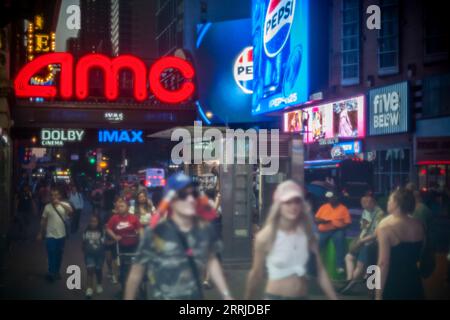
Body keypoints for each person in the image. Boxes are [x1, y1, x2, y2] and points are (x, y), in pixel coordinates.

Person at [125, 172, 232, 300]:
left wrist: (226, 295)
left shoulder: (204, 230)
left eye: (193, 194)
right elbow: (136, 272)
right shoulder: (155, 233)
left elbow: (211, 260)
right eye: (183, 195)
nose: (191, 199)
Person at [245, 181, 337, 300]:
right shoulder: (266, 235)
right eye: (288, 202)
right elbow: (256, 274)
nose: (293, 206)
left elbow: (320, 272)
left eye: (297, 201)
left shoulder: (307, 233)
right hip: (275, 297)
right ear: (279, 206)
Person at [376, 188, 425, 300]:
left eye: (389, 200)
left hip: (393, 282)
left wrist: (377, 294)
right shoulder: (419, 224)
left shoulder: (385, 228)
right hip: (415, 281)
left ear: (397, 203)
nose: (388, 202)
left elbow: (383, 264)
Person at [340, 195, 385, 294]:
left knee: (365, 266)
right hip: (364, 240)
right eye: (362, 202)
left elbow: (376, 233)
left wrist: (362, 240)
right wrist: (360, 238)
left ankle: (352, 286)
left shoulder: (379, 214)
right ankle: (350, 281)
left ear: (372, 202)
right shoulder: (365, 211)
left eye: (366, 202)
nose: (363, 204)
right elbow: (364, 227)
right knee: (349, 257)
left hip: (372, 243)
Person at [36, 188, 73, 282]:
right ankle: (51, 272)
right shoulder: (47, 207)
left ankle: (56, 271)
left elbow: (71, 211)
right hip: (50, 235)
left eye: (56, 195)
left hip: (62, 235)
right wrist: (40, 232)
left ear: (59, 196)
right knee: (51, 253)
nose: (53, 197)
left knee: (59, 254)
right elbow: (43, 220)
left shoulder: (64, 205)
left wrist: (59, 203)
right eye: (52, 195)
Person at [106, 197, 142, 292]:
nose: (120, 208)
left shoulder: (133, 218)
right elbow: (108, 228)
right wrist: (115, 236)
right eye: (119, 206)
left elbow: (140, 229)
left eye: (122, 206)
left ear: (127, 207)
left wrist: (139, 234)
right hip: (121, 247)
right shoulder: (114, 218)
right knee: (122, 268)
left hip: (133, 245)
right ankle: (123, 287)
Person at [315, 191, 352, 274]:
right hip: (323, 230)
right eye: (329, 198)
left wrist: (338, 226)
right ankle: (312, 267)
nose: (330, 199)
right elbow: (316, 219)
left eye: (332, 197)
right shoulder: (324, 207)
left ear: (337, 198)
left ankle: (340, 266)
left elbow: (348, 223)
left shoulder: (343, 208)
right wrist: (322, 221)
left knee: (340, 243)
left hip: (337, 230)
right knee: (316, 245)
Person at [82, 215, 105, 299]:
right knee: (90, 270)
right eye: (91, 221)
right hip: (89, 255)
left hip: (99, 255)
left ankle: (99, 284)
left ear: (98, 222)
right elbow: (83, 243)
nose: (93, 223)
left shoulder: (102, 231)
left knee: (98, 270)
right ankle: (89, 288)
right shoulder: (86, 231)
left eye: (95, 221)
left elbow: (104, 243)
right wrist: (85, 251)